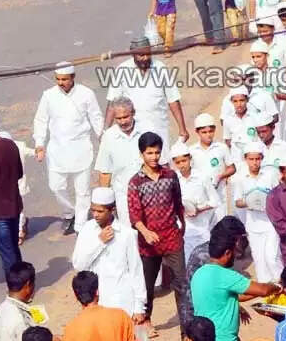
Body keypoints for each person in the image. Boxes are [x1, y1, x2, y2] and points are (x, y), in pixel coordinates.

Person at [127, 132, 188, 338]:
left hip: (171, 238)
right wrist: (146, 232)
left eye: (157, 153)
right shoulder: (135, 182)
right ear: (141, 154)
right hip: (148, 243)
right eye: (149, 153)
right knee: (147, 285)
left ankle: (186, 327)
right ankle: (146, 321)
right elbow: (134, 215)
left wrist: (182, 226)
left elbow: (178, 203)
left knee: (181, 283)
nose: (154, 157)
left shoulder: (170, 176)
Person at [33, 62, 103, 235]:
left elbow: (96, 117)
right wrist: (39, 144)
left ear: (73, 77)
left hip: (81, 149)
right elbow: (40, 120)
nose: (60, 82)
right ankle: (69, 213)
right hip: (57, 151)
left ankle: (80, 224)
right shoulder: (49, 95)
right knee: (56, 186)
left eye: (64, 79)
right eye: (58, 79)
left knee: (83, 191)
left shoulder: (86, 94)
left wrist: (102, 138)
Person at [103, 36, 188, 160]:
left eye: (148, 54)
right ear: (133, 54)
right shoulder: (122, 70)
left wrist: (182, 129)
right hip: (133, 130)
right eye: (141, 55)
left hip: (158, 126)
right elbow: (112, 103)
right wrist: (105, 131)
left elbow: (173, 99)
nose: (145, 58)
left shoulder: (161, 68)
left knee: (161, 163)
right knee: (136, 164)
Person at [71, 187, 146, 318]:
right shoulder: (87, 229)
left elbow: (136, 271)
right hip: (95, 302)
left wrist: (139, 306)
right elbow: (78, 265)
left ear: (112, 210)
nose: (95, 215)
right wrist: (100, 243)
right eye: (93, 210)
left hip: (121, 303)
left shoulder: (126, 234)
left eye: (100, 211)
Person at [233, 143, 282, 281]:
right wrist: (249, 203)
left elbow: (279, 196)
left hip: (270, 223)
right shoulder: (240, 178)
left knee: (272, 257)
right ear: (245, 159)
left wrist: (268, 203)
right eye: (251, 159)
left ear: (262, 159)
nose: (255, 162)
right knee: (259, 260)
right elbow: (237, 201)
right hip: (253, 225)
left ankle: (282, 284)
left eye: (257, 159)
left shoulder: (270, 175)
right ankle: (266, 287)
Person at [0, 106, 23, 273]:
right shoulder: (10, 145)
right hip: (14, 207)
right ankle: (24, 281)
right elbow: (18, 174)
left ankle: (18, 284)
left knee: (8, 256)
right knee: (13, 250)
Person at [95, 96, 142, 224]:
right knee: (129, 231)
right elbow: (105, 172)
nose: (122, 122)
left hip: (149, 194)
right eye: (118, 119)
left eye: (125, 117)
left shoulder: (146, 131)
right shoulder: (109, 137)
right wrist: (106, 203)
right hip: (123, 197)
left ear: (133, 113)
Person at [170, 143, 219, 262]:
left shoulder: (202, 176)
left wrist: (199, 209)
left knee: (204, 261)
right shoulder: (173, 179)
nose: (182, 165)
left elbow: (215, 200)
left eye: (184, 161)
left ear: (190, 159)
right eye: (178, 162)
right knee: (188, 262)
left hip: (202, 228)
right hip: (184, 230)